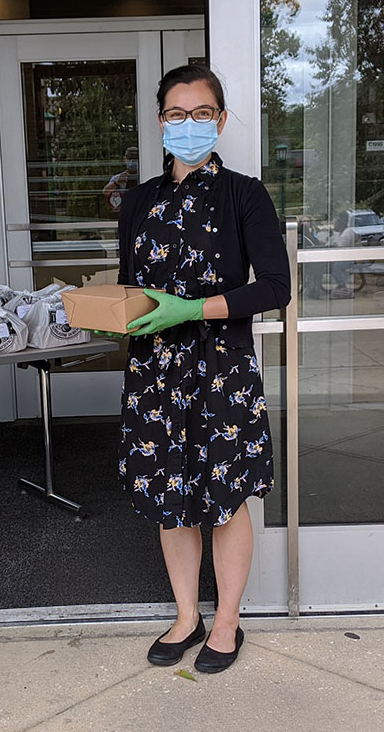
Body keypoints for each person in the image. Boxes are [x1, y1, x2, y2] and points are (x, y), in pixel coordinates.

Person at [114, 64, 291, 674]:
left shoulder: (245, 194)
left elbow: (275, 287)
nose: (186, 124)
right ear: (160, 121)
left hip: (220, 369)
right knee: (172, 497)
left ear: (218, 119)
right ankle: (187, 614)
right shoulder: (138, 200)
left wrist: (193, 308)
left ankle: (226, 622)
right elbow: (130, 288)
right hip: (155, 374)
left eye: (199, 114)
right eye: (174, 114)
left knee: (225, 497)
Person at [103, 146, 140, 213]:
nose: (132, 162)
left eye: (135, 159)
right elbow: (105, 192)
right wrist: (117, 183)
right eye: (129, 159)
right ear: (124, 160)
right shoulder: (118, 178)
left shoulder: (144, 176)